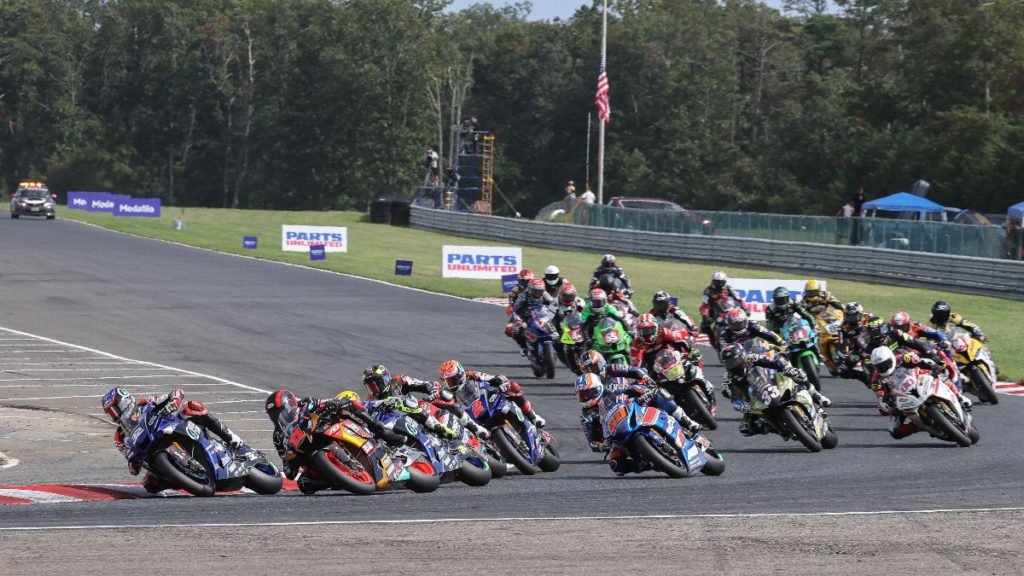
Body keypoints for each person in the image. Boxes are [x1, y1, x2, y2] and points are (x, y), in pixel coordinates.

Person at [102, 387, 245, 494]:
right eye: (110, 412)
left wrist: (173, 403)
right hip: (151, 453)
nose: (114, 414)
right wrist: (132, 461)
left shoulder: (145, 403)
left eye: (115, 408)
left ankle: (230, 436)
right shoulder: (119, 436)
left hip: (172, 428)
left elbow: (177, 392)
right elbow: (132, 468)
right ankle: (187, 477)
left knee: (192, 406)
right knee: (150, 485)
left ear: (125, 400)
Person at [265, 388, 404, 494]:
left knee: (348, 403)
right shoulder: (278, 437)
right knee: (304, 484)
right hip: (309, 452)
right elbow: (289, 470)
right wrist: (290, 461)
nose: (277, 416)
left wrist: (332, 404)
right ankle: (339, 479)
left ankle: (382, 432)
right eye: (273, 415)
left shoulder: (306, 403)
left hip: (325, 428)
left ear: (290, 403)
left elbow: (325, 402)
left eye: (279, 411)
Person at [577, 351, 700, 455]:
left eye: (594, 367)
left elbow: (634, 370)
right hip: (615, 431)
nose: (593, 372)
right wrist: (602, 446)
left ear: (601, 363)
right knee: (617, 465)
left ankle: (686, 421)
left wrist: (645, 379)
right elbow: (592, 442)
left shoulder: (611, 369)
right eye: (587, 370)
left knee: (658, 394)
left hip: (631, 402)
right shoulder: (586, 413)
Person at [719, 344, 830, 437]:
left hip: (771, 381)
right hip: (754, 400)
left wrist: (787, 368)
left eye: (735, 361)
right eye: (729, 363)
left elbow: (774, 360)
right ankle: (779, 429)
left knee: (798, 375)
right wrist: (744, 407)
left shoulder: (752, 357)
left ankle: (817, 396)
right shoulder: (728, 378)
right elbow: (734, 400)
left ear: (743, 356)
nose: (733, 365)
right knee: (746, 428)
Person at [868, 347, 970, 440]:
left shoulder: (902, 358)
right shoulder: (876, 381)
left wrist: (934, 366)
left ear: (891, 358)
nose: (883, 368)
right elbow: (881, 397)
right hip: (902, 399)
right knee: (894, 432)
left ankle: (960, 397)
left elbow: (919, 362)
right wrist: (885, 405)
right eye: (879, 366)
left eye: (885, 364)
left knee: (942, 376)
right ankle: (919, 426)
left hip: (919, 380)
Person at [360, 364, 460, 442]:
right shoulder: (371, 400)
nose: (375, 389)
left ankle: (439, 427)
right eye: (371, 387)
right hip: (394, 423)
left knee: (423, 404)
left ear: (385, 379)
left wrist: (433, 389)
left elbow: (425, 384)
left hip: (415, 413)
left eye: (377, 384)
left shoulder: (399, 381)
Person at [438, 360, 546, 428]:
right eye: (446, 381)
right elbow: (448, 408)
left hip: (487, 398)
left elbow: (489, 377)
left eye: (451, 380)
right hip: (472, 414)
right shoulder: (448, 393)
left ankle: (533, 416)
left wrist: (498, 381)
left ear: (459, 375)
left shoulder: (471, 375)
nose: (449, 384)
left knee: (511, 386)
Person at [698, 271, 749, 341]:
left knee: (742, 322)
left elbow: (739, 299)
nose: (718, 285)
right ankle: (709, 342)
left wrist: (745, 309)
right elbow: (705, 306)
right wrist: (705, 316)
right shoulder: (708, 291)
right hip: (714, 311)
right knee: (704, 326)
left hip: (729, 310)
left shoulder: (729, 289)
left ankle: (747, 338)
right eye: (716, 282)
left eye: (720, 282)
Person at [719, 308, 784, 348]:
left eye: (739, 324)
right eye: (734, 325)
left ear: (746, 321)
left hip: (756, 352)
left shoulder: (752, 325)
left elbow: (768, 333)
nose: (738, 327)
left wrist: (780, 342)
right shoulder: (725, 333)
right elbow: (723, 349)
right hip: (739, 358)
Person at [505, 269, 534, 356]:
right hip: (521, 313)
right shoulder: (515, 291)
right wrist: (510, 308)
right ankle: (523, 346)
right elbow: (511, 304)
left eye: (527, 281)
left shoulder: (537, 287)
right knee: (510, 329)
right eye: (523, 281)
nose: (525, 283)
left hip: (537, 311)